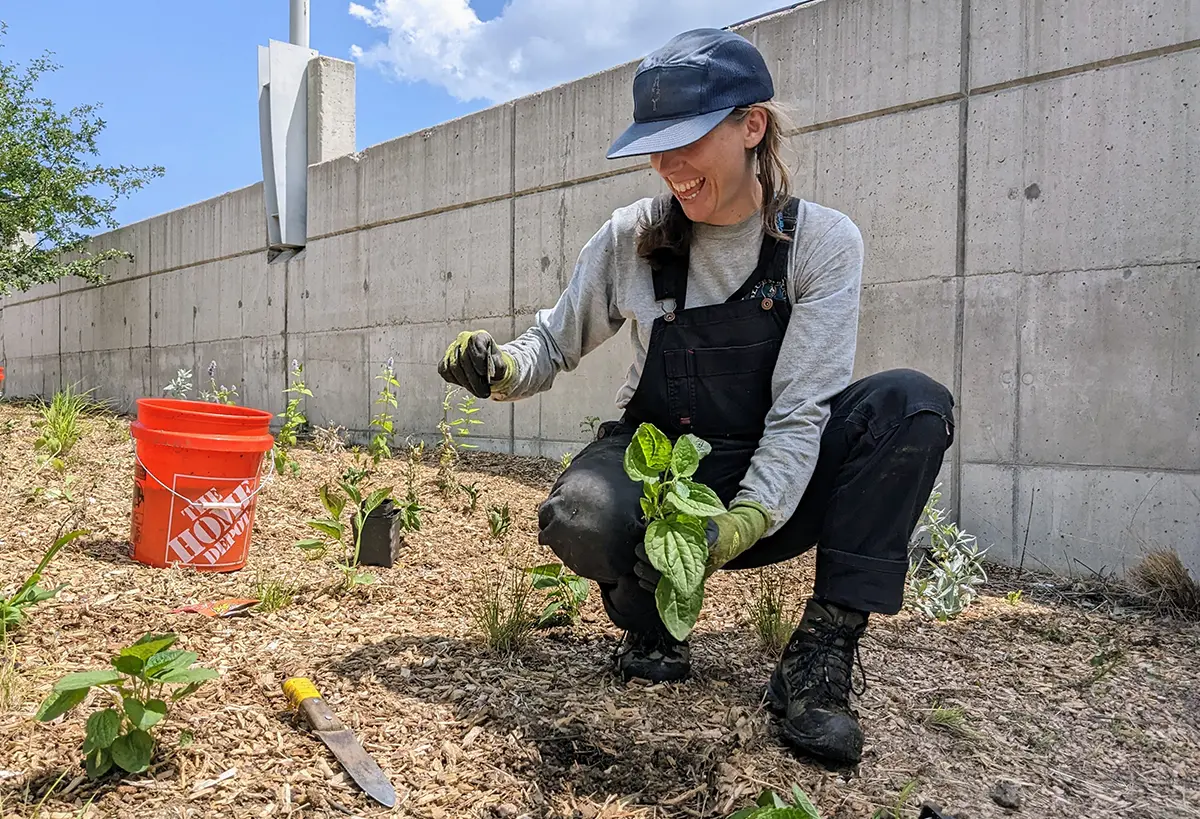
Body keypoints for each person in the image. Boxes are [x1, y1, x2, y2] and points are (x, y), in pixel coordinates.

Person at [437, 28, 955, 767]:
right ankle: (649, 619)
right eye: (654, 144)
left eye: (686, 139)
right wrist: (497, 369)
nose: (666, 165)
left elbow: (802, 412)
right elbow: (552, 343)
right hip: (663, 474)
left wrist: (739, 524)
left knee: (912, 405)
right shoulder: (634, 237)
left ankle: (820, 657)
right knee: (579, 515)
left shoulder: (822, 244)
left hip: (774, 478)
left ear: (752, 126)